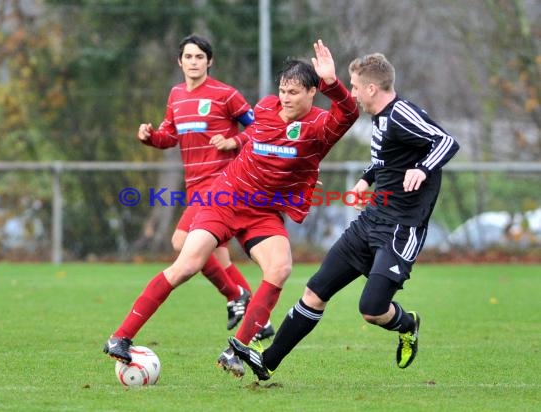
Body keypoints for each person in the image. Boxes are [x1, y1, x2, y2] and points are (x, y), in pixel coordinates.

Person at [103, 39, 360, 374]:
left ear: (313, 92)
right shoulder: (266, 107)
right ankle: (120, 338)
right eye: (283, 89)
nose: (285, 97)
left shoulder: (322, 125)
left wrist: (332, 81)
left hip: (263, 212)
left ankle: (236, 351)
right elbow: (255, 140)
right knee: (187, 264)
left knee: (280, 269)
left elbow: (350, 112)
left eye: (294, 92)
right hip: (226, 198)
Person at [229, 52, 460, 381]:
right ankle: (267, 362)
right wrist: (366, 180)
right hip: (371, 219)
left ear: (370, 89)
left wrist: (422, 170)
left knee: (372, 309)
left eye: (353, 87)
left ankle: (408, 325)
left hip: (401, 228)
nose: (351, 93)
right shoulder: (380, 119)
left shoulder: (401, 114)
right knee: (314, 292)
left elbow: (446, 141)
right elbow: (386, 159)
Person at [135, 34, 273, 336]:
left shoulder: (225, 94)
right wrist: (150, 137)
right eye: (188, 57)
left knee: (181, 243)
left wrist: (233, 140)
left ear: (209, 61)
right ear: (180, 61)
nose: (194, 62)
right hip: (195, 186)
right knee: (218, 257)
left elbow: (262, 129)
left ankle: (237, 296)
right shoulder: (176, 96)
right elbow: (169, 136)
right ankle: (257, 320)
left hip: (223, 183)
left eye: (200, 57)